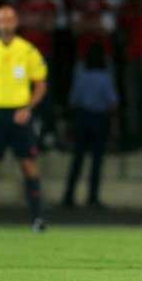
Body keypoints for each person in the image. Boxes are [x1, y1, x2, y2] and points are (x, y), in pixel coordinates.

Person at [0, 5, 48, 232]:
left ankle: (38, 219)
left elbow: (41, 84)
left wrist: (28, 107)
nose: (5, 23)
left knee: (29, 165)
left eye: (9, 19)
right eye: (1, 20)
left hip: (19, 115)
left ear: (16, 22)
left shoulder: (27, 50)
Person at [61, 43, 119, 208]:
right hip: (100, 119)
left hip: (82, 117)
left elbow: (73, 100)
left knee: (77, 159)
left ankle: (68, 196)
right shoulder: (105, 77)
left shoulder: (81, 75)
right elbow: (113, 102)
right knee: (96, 161)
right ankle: (92, 198)